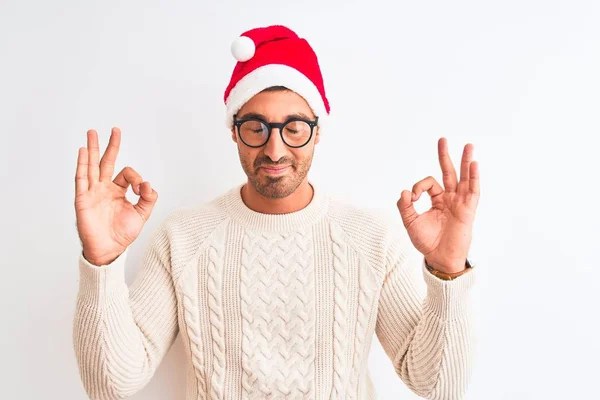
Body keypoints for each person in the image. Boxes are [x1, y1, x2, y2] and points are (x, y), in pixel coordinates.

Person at [73, 25, 479, 400]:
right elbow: (111, 384)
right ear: (234, 130)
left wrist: (447, 270)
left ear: (317, 132)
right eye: (256, 126)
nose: (275, 149)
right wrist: (102, 262)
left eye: (295, 127)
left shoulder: (372, 238)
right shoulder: (183, 238)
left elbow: (438, 385)